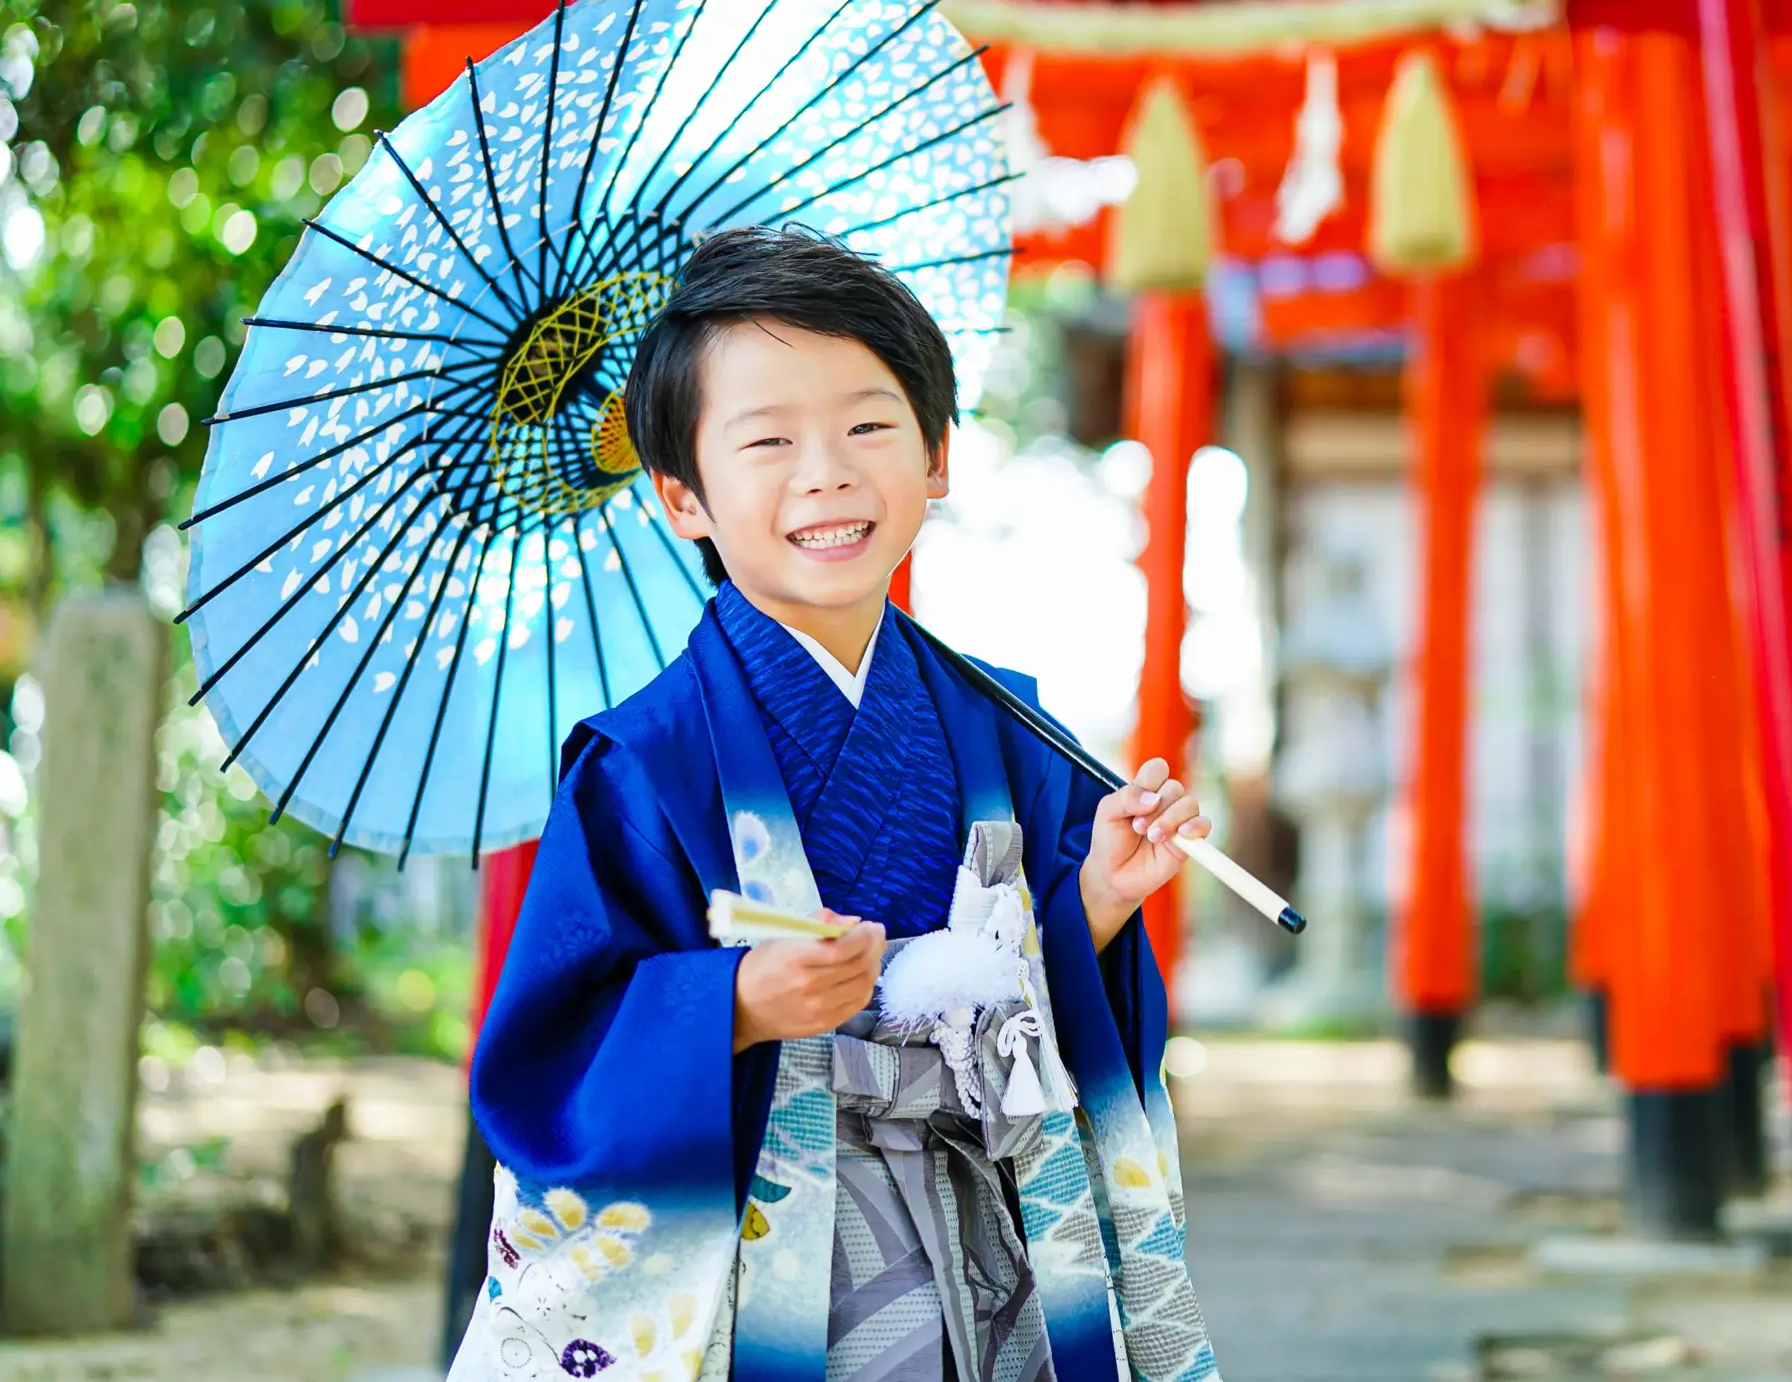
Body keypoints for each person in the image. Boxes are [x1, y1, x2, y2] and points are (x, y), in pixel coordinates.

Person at [449, 224, 1221, 1382]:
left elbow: (1041, 992)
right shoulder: (645, 760)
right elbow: (558, 1044)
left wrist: (1098, 897)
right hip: (769, 1246)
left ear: (938, 454)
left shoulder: (1009, 725)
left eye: (868, 424)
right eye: (766, 441)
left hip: (987, 1226)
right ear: (682, 497)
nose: (827, 472)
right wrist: (737, 1003)